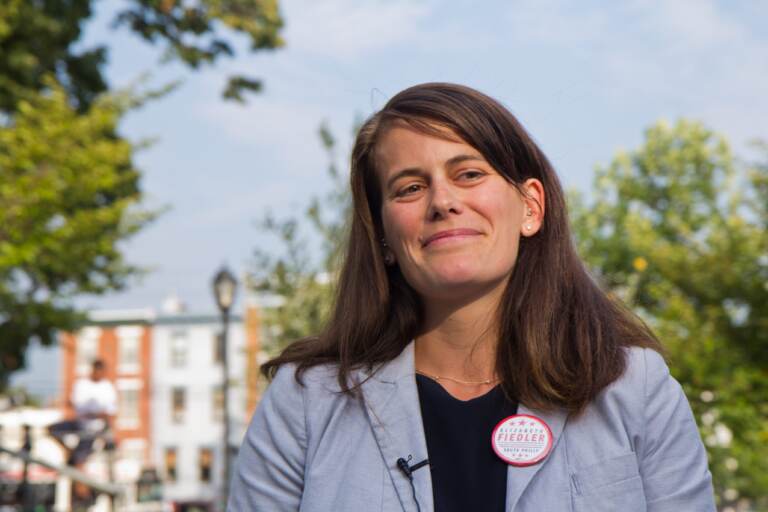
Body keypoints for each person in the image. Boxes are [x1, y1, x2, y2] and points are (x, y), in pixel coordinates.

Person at [229, 83, 715, 511]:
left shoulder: (635, 390)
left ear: (530, 206)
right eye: (411, 187)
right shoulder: (306, 403)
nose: (442, 201)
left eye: (469, 174)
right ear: (382, 236)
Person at [49, 359, 117, 467]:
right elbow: (78, 407)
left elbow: (110, 414)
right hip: (79, 423)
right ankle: (69, 451)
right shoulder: (82, 384)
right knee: (52, 429)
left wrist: (93, 415)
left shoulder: (108, 387)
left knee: (79, 461)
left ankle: (75, 461)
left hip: (94, 429)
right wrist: (95, 413)